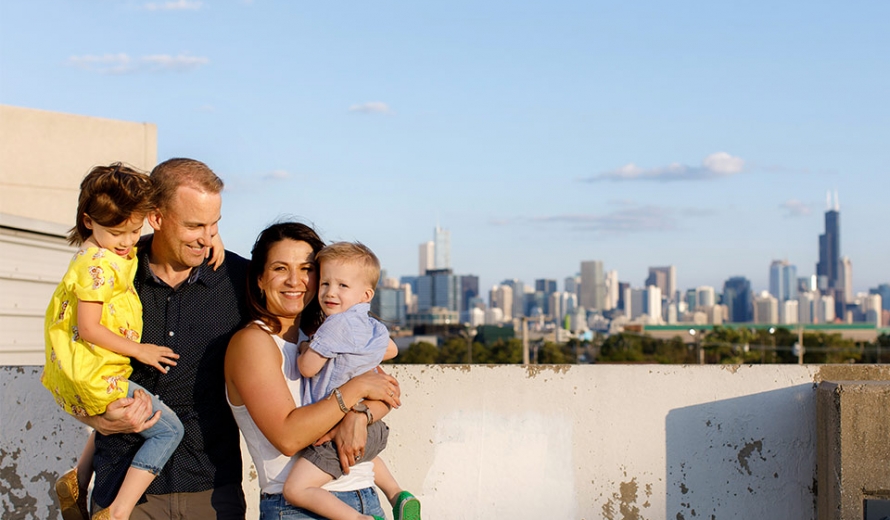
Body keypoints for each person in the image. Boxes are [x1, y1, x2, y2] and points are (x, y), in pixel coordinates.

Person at [78, 158, 250, 519]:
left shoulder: (238, 280)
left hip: (212, 491)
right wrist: (95, 419)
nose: (206, 238)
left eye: (214, 224)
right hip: (120, 489)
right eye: (195, 225)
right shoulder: (110, 272)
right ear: (156, 218)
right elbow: (67, 355)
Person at [225, 222, 402, 520]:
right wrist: (356, 390)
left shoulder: (322, 337)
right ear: (260, 279)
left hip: (365, 496)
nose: (295, 281)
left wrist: (359, 416)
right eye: (280, 268)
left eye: (306, 269)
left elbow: (388, 392)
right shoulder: (253, 342)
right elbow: (288, 438)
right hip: (296, 509)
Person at [43, 163, 185, 520]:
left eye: (135, 231)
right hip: (96, 373)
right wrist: (141, 350)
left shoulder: (98, 252)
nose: (127, 242)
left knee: (121, 412)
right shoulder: (98, 267)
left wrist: (208, 237)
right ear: (88, 221)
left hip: (84, 370)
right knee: (169, 431)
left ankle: (78, 478)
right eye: (117, 233)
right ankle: (118, 512)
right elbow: (89, 328)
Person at [282, 241, 421, 520]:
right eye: (325, 283)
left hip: (332, 427)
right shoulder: (373, 325)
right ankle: (398, 495)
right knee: (366, 455)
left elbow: (307, 368)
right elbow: (391, 350)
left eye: (342, 286)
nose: (330, 292)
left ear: (365, 294)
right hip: (373, 427)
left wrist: (306, 346)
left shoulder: (335, 325)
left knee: (296, 489)